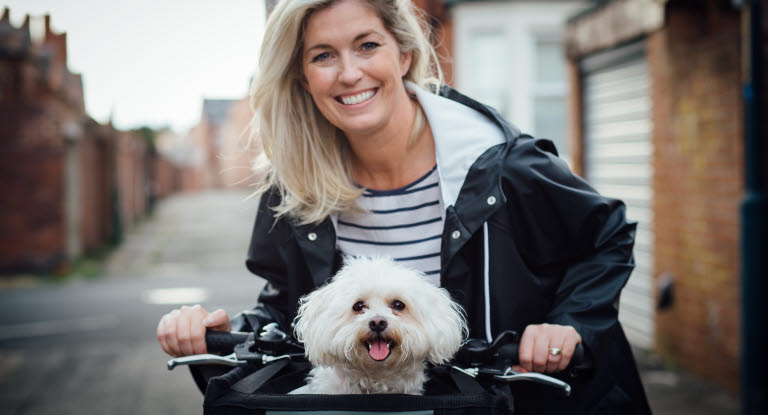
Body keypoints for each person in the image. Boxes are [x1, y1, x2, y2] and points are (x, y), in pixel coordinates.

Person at [157, 0, 651, 413]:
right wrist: (223, 337)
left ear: (405, 54)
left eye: (368, 45)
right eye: (323, 55)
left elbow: (607, 235)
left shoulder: (500, 165)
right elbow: (287, 312)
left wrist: (569, 323)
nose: (349, 73)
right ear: (303, 78)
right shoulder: (295, 188)